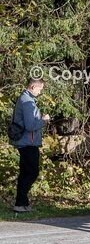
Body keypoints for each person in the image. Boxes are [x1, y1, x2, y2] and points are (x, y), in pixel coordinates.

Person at [9, 77, 50, 212]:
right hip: (28, 143)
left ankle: (21, 203)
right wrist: (44, 120)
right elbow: (31, 126)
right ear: (33, 87)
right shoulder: (27, 102)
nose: (40, 92)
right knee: (32, 172)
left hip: (26, 142)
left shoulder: (26, 99)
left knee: (25, 173)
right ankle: (20, 202)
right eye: (40, 89)